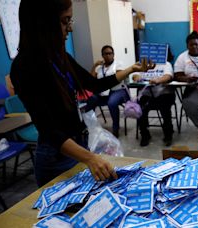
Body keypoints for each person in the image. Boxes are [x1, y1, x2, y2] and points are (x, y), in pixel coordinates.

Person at [10, 0, 154, 187]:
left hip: (79, 148)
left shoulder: (60, 57)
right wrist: (90, 158)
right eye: (64, 21)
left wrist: (130, 69)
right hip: (56, 158)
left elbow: (94, 84)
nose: (69, 29)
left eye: (70, 21)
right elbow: (49, 130)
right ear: (43, 23)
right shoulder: (24, 67)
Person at [132, 48, 176, 147]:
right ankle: (144, 134)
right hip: (147, 94)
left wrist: (158, 80)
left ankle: (168, 134)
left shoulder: (166, 64)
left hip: (164, 93)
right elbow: (135, 75)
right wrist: (137, 78)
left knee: (165, 109)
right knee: (140, 109)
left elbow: (168, 76)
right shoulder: (141, 64)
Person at [87, 45, 130, 138]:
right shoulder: (99, 68)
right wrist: (95, 65)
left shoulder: (118, 64)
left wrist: (105, 84)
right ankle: (91, 126)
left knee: (111, 102)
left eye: (110, 53)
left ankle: (115, 128)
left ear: (113, 55)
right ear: (102, 55)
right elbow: (90, 80)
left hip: (118, 91)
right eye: (105, 54)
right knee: (90, 99)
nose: (108, 55)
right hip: (103, 93)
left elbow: (119, 77)